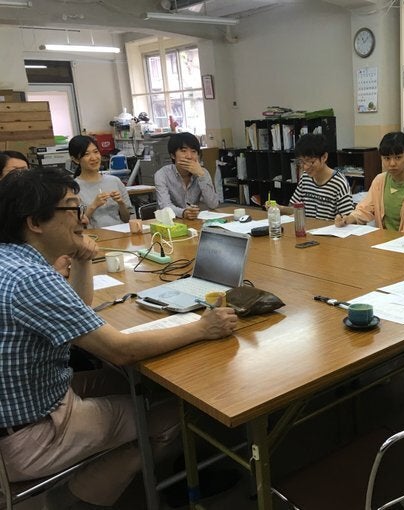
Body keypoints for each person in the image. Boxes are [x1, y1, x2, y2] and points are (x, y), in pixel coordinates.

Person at [0, 167, 239, 508]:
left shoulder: (10, 260)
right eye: (72, 208)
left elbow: (76, 311)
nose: (83, 218)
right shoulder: (32, 278)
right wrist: (202, 328)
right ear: (35, 222)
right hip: (32, 435)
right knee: (175, 411)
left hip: (28, 404)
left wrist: (82, 260)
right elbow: (120, 350)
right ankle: (76, 500)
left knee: (131, 384)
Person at [334, 131, 404, 233]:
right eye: (387, 158)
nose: (392, 163)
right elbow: (365, 209)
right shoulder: (379, 180)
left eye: (398, 157)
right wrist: (348, 219)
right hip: (383, 240)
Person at [275, 133, 354, 220]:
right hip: (307, 227)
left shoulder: (339, 183)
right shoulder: (305, 178)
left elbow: (348, 219)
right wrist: (279, 208)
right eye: (302, 162)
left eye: (310, 161)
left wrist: (342, 220)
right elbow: (295, 208)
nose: (305, 167)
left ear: (324, 157)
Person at [69, 135, 133, 229]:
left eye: (96, 152)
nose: (94, 158)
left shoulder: (115, 181)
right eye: (86, 154)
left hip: (120, 234)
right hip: (93, 236)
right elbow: (76, 225)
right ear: (75, 159)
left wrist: (121, 203)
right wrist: (93, 206)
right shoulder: (73, 189)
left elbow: (126, 219)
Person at [155, 132, 219, 220]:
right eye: (183, 151)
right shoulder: (162, 174)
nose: (189, 156)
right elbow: (165, 206)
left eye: (193, 151)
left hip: (193, 222)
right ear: (173, 155)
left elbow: (213, 204)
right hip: (170, 222)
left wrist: (201, 176)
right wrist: (183, 213)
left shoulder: (202, 172)